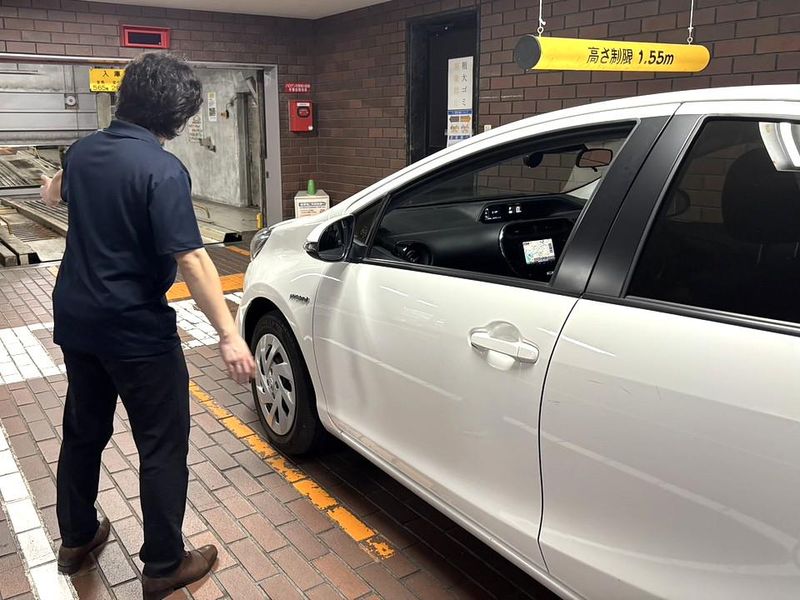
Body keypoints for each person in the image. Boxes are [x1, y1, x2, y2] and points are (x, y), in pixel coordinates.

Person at [39, 53, 256, 600]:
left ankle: (76, 539)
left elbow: (52, 193)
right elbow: (193, 258)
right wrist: (229, 334)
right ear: (177, 114)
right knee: (161, 444)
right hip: (137, 330)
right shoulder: (162, 170)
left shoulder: (83, 151)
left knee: (83, 432)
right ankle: (163, 564)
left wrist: (64, 184)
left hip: (78, 322)